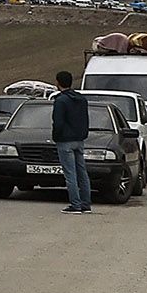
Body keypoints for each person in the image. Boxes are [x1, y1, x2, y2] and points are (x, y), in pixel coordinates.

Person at [51, 71, 92, 215]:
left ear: (58, 82)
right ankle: (86, 203)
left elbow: (58, 122)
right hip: (79, 139)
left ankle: (75, 204)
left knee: (70, 174)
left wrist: (56, 136)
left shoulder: (61, 100)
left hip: (65, 140)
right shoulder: (81, 99)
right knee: (82, 172)